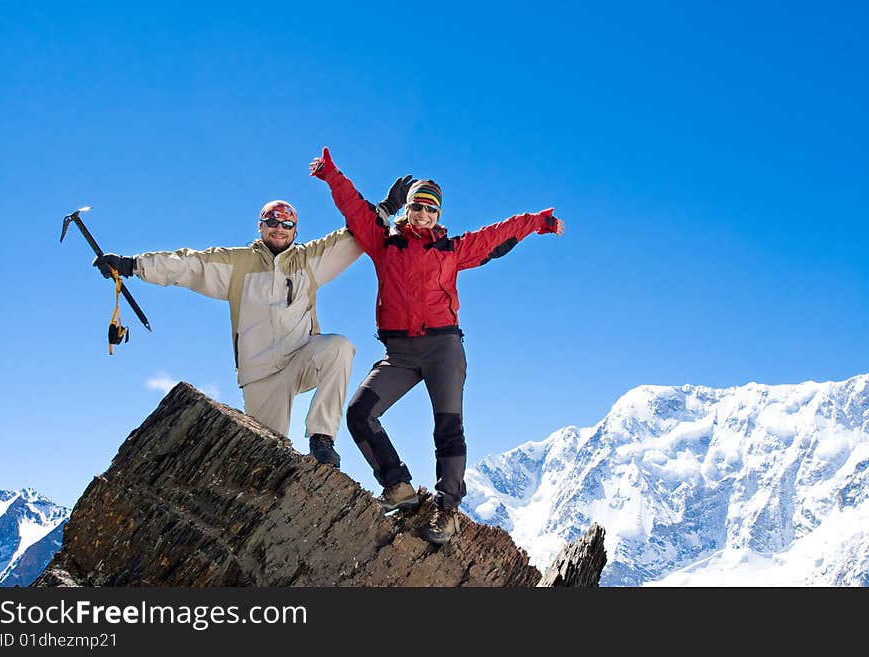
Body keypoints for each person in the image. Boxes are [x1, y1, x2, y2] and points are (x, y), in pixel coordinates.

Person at [310, 147, 565, 544]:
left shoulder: (451, 250)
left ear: (439, 215)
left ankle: (447, 511)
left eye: (431, 210)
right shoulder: (384, 244)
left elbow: (497, 235)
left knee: (447, 428)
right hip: (399, 353)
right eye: (417, 208)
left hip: (443, 348)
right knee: (360, 413)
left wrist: (537, 223)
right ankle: (398, 486)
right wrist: (330, 173)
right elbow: (355, 208)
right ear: (408, 210)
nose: (424, 215)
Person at [92, 192, 401, 468]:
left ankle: (321, 440)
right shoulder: (237, 264)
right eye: (272, 221)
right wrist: (132, 265)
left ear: (296, 229)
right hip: (260, 375)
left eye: (287, 224)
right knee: (269, 457)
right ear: (260, 226)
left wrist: (385, 210)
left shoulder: (309, 261)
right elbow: (188, 265)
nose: (279, 228)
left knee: (339, 347)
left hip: (300, 359)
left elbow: (350, 238)